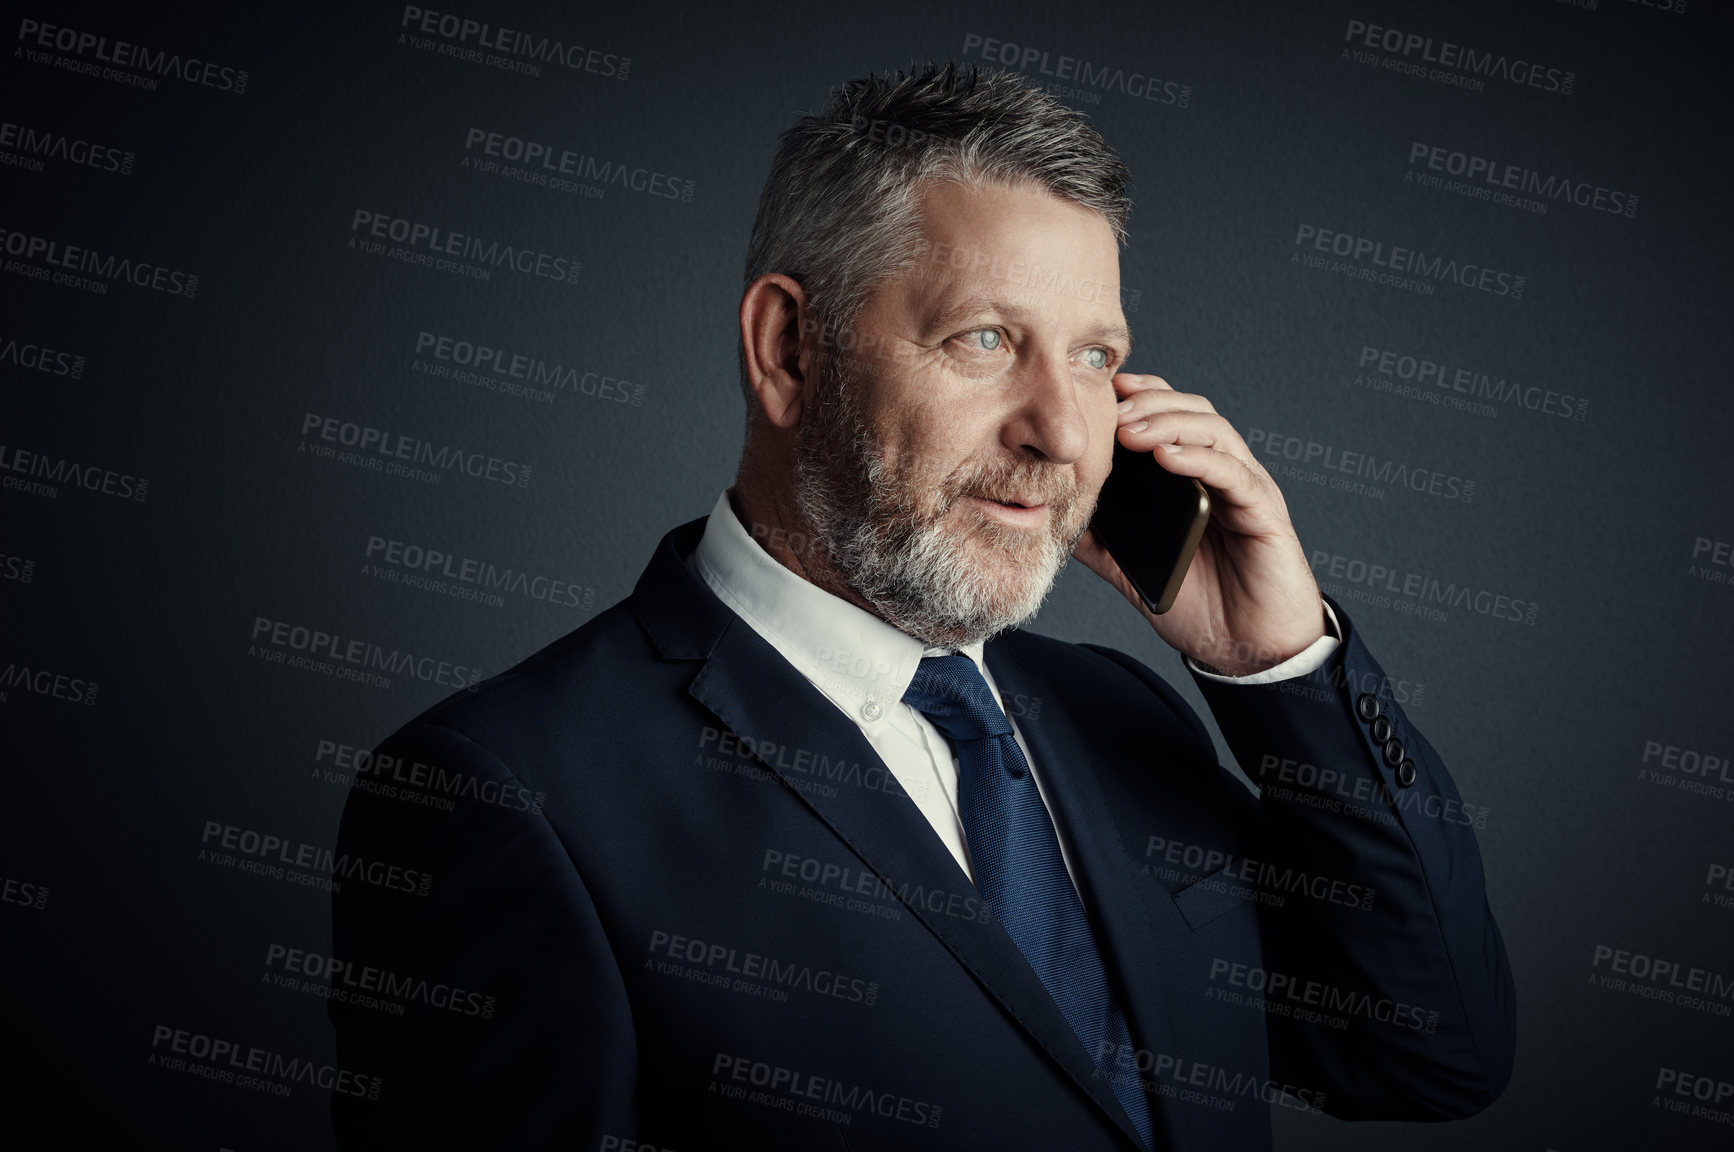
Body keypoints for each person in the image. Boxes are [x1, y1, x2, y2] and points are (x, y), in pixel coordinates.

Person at [328, 61, 1514, 1151]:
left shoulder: (1119, 718)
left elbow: (1425, 1055)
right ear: (790, 348)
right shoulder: (505, 795)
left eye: (1096, 357)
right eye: (987, 340)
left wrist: (1278, 672)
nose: (1059, 433)